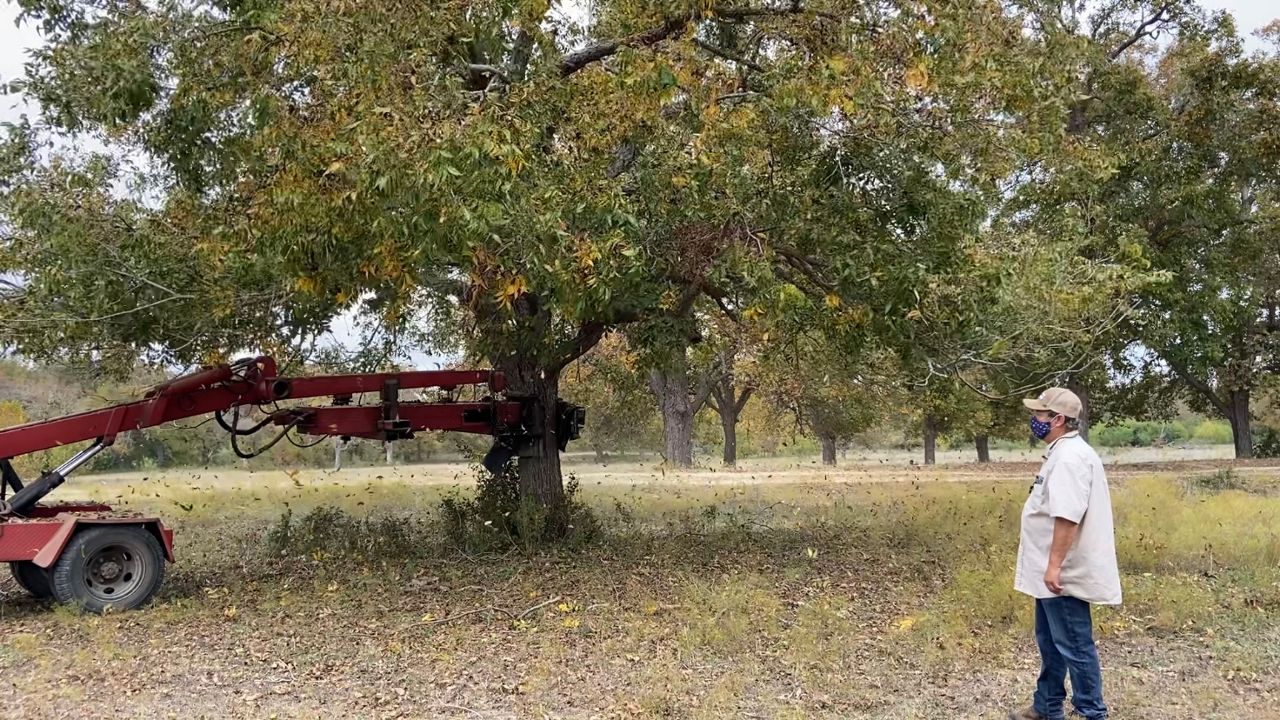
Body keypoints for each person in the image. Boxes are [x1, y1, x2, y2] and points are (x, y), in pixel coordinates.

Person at [1008, 387, 1121, 720]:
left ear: (1057, 420)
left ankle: (1092, 713)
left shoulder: (1070, 458)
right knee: (1050, 641)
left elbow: (1068, 516)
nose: (1034, 420)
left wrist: (1054, 566)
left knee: (1074, 645)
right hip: (1050, 569)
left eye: (1040, 415)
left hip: (1063, 573)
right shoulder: (1061, 452)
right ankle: (1046, 705)